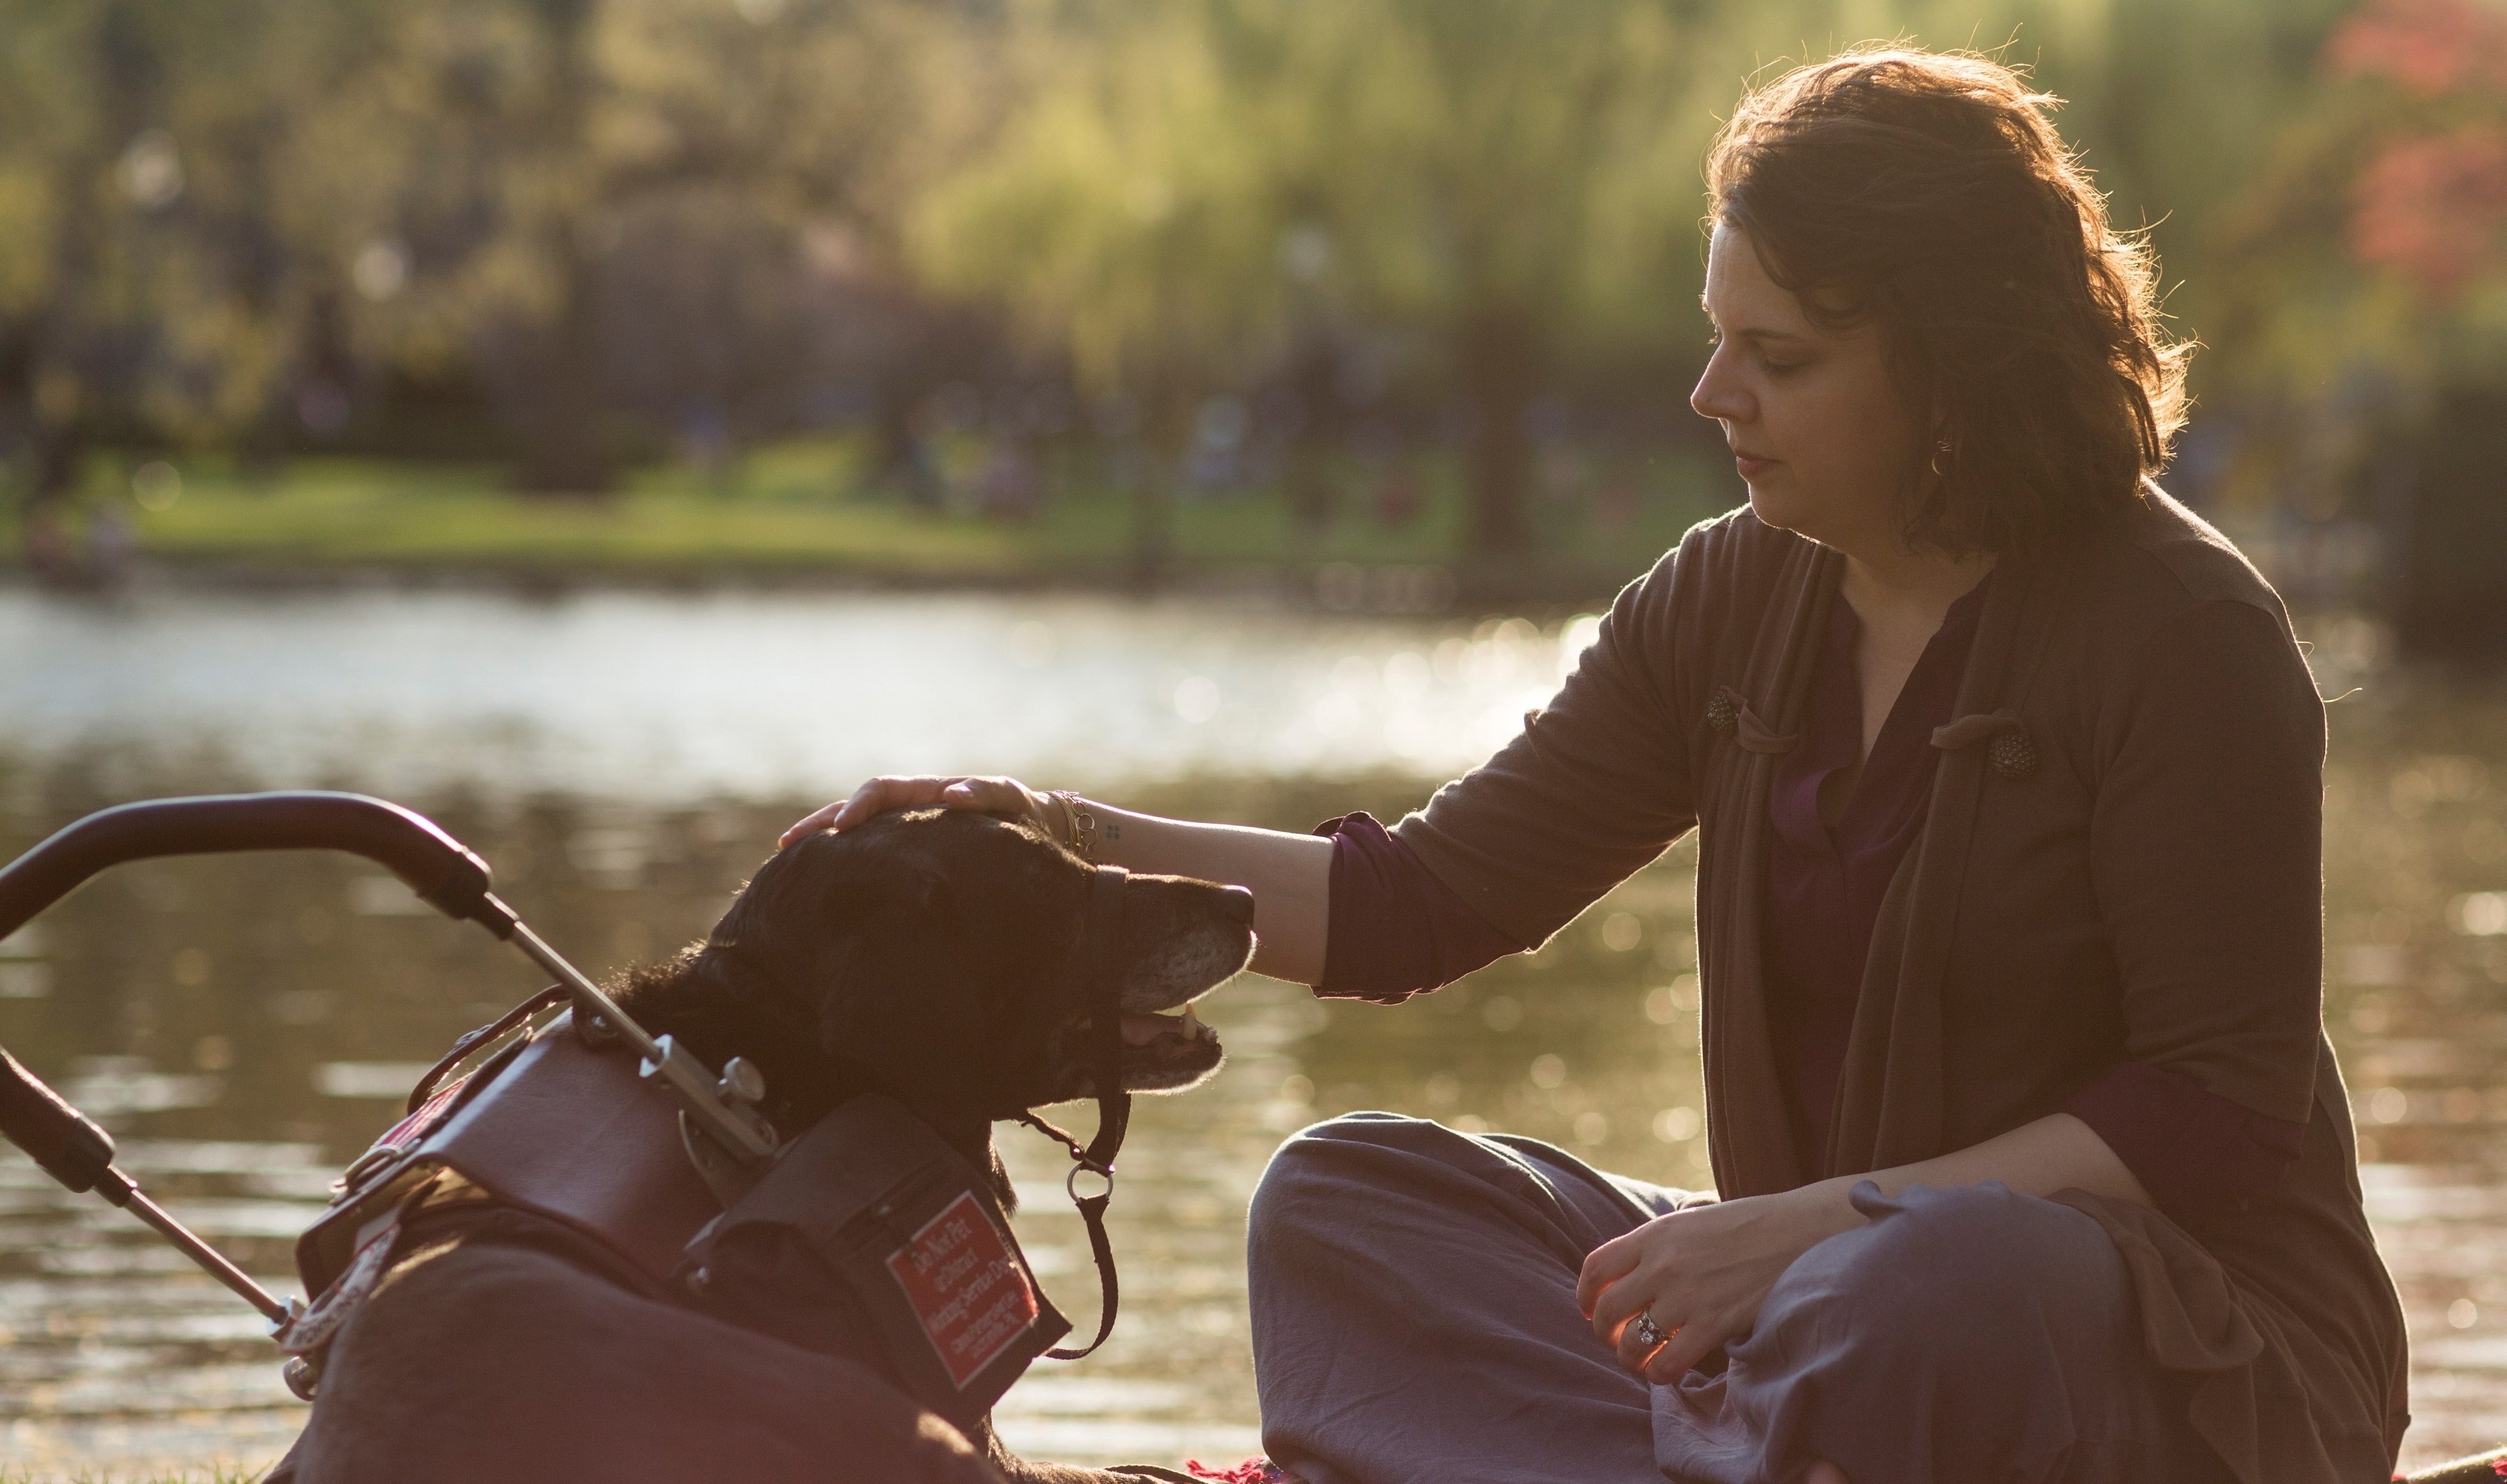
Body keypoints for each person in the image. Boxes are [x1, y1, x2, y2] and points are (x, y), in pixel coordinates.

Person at [783, 47, 2405, 1484]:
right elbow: (1417, 904)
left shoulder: (2185, 634)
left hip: (2177, 1350)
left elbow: (2211, 1112)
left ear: (1952, 367)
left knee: (1926, 1285)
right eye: (1718, 341)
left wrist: (1819, 1228)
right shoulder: (1732, 593)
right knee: (1346, 1203)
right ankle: (1740, 1447)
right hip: (1818, 1300)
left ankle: (1709, 1433)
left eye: (1778, 358)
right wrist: (1053, 823)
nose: (1715, 396)